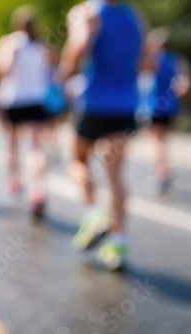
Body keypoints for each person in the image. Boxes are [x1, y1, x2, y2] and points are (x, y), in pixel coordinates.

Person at [60, 0, 146, 270]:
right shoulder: (135, 17)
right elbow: (146, 60)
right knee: (116, 174)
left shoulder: (88, 11)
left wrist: (65, 73)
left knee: (77, 161)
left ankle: (94, 214)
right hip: (126, 105)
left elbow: (79, 49)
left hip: (95, 104)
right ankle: (117, 244)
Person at [0, 6, 51, 218]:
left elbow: (2, 69)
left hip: (14, 100)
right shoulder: (41, 46)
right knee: (35, 147)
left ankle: (15, 181)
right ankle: (38, 190)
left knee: (13, 144)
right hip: (36, 100)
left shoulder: (10, 42)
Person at [146, 27, 190, 193]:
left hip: (155, 106)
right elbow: (184, 85)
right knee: (164, 140)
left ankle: (162, 172)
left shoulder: (154, 60)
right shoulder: (178, 61)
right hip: (171, 107)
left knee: (157, 141)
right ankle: (163, 170)